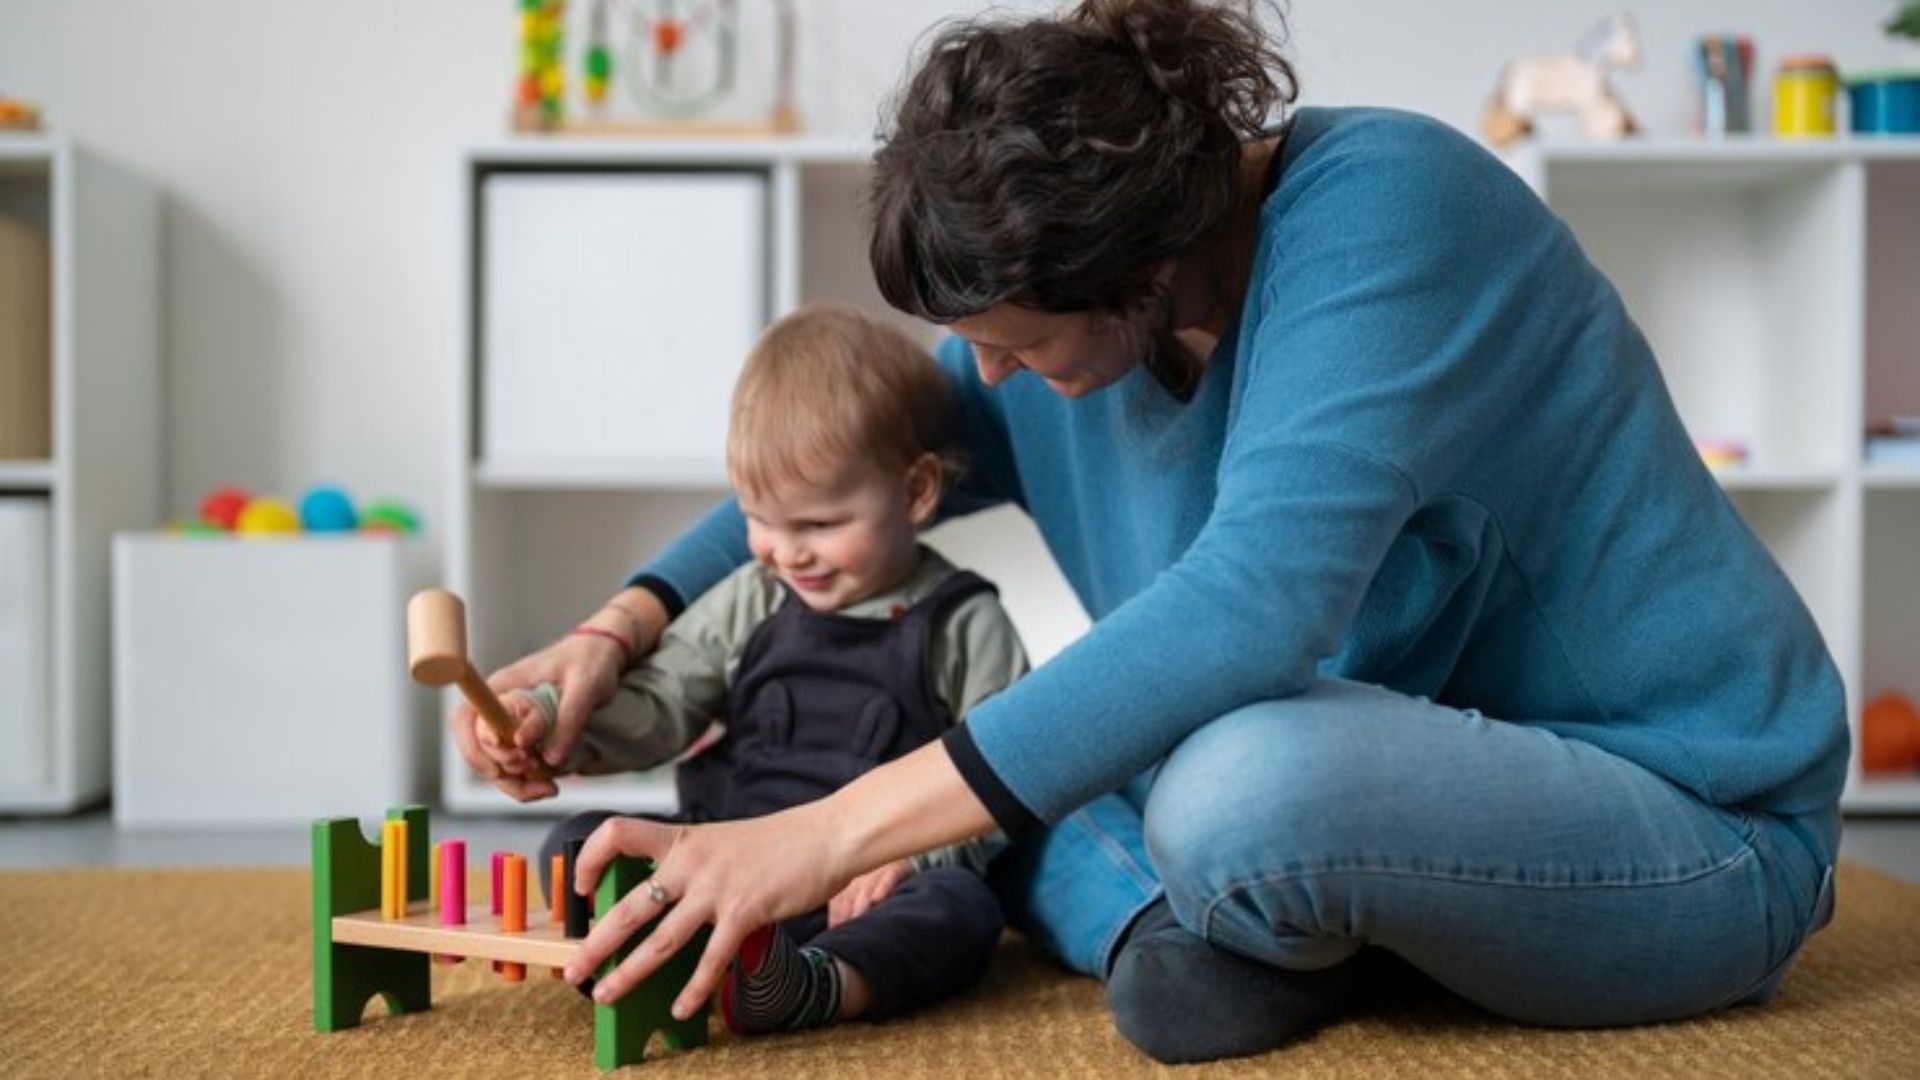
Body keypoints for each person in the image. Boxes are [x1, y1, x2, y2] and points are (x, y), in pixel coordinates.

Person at [455, 0, 1847, 1064]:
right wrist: (616, 629)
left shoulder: (1391, 210)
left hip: (1691, 824)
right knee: (1024, 762)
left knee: (1231, 787)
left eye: (1014, 344)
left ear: (1140, 263)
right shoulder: (1079, 326)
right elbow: (858, 458)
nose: (986, 377)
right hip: (1402, 794)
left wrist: (817, 838)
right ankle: (1186, 934)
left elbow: (1254, 610)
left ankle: (1247, 912)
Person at [461, 303, 1030, 1034]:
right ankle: (682, 956)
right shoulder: (752, 594)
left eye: (819, 524)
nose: (787, 552)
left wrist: (915, 860)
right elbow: (661, 703)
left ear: (916, 491)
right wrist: (551, 718)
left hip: (862, 886)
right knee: (582, 845)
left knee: (963, 907)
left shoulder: (965, 619)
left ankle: (818, 984)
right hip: (721, 851)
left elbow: (999, 776)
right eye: (760, 520)